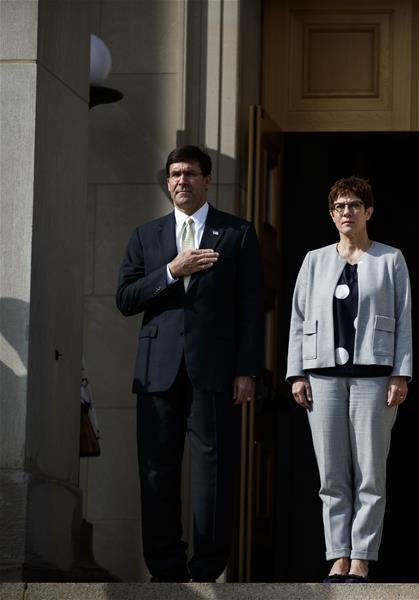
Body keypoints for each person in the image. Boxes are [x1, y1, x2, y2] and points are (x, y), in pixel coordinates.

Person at [117, 145, 264, 582]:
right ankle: (165, 569)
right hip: (157, 371)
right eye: (174, 174)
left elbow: (251, 308)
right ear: (167, 182)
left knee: (214, 470)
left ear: (206, 181)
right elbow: (125, 298)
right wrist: (171, 271)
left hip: (214, 370)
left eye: (190, 174)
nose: (181, 181)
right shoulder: (147, 236)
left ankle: (207, 569)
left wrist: (246, 370)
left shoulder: (236, 233)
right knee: (157, 470)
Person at [286, 176, 412, 583]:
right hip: (322, 377)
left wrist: (401, 372)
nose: (346, 213)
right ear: (331, 214)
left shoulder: (391, 259)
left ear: (369, 211)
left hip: (375, 378)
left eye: (354, 205)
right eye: (339, 207)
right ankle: (337, 555)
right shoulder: (314, 260)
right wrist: (296, 373)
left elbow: (404, 319)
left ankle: (361, 557)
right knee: (332, 473)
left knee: (371, 472)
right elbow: (298, 318)